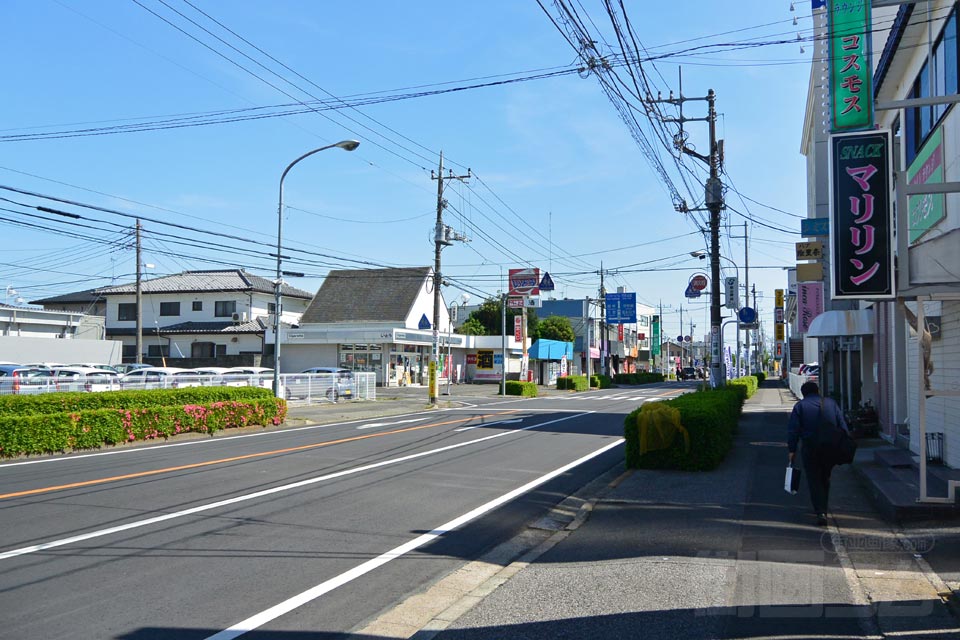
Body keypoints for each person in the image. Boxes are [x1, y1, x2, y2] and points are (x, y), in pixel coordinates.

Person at [787, 380, 849, 526]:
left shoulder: (800, 406)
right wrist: (845, 443)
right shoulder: (831, 403)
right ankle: (823, 508)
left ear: (803, 393)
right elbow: (842, 424)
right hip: (830, 447)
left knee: (814, 479)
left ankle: (820, 511)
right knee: (825, 477)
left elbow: (793, 430)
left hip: (810, 447)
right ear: (818, 391)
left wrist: (792, 450)